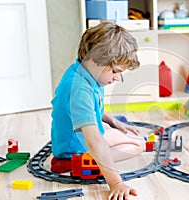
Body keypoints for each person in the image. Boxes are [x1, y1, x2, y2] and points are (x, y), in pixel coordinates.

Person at [50, 21, 145, 200]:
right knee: (137, 145)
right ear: (95, 59)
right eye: (116, 71)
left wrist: (113, 121)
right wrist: (116, 183)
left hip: (71, 138)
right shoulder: (79, 89)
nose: (117, 78)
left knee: (110, 129)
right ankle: (88, 162)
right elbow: (93, 140)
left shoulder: (86, 72)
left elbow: (93, 109)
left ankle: (97, 155)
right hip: (74, 149)